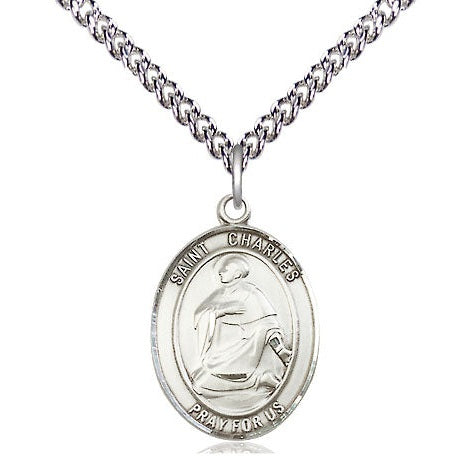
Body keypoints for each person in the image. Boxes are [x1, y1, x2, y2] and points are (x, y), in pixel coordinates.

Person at [191, 254, 292, 398]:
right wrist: (223, 311)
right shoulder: (218, 294)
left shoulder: (252, 293)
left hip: (246, 349)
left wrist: (280, 349)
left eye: (226, 269)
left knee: (202, 385)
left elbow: (269, 323)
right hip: (218, 353)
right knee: (198, 384)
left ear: (237, 274)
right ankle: (259, 380)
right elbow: (200, 315)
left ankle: (267, 369)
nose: (220, 272)